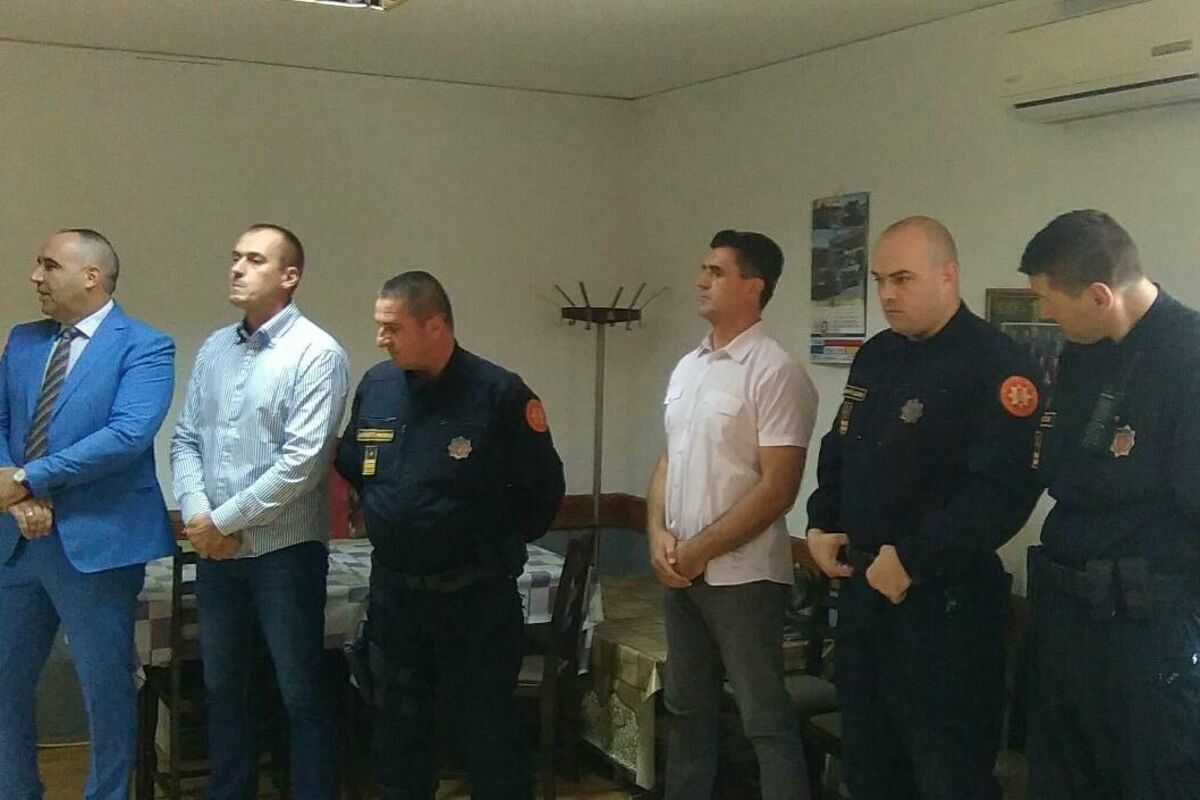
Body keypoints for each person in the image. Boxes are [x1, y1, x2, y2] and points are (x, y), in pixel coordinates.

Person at [805, 216, 1042, 800]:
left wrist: (914, 560)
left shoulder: (995, 363)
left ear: (947, 275)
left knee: (946, 775)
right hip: (864, 596)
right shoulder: (877, 355)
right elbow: (839, 444)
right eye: (880, 280)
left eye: (903, 279)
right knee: (869, 768)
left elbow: (1002, 492)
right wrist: (820, 521)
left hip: (944, 607)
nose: (887, 294)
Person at [335, 270, 565, 800]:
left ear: (435, 326)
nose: (380, 339)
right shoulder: (377, 386)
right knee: (397, 738)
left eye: (392, 327)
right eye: (379, 326)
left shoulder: (499, 394)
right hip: (396, 599)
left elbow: (541, 495)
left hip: (474, 600)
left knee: (488, 738)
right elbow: (354, 464)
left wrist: (479, 544)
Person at [1019, 210, 1200, 799]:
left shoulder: (1188, 354)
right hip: (1067, 611)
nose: (1047, 315)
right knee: (1061, 777)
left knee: (1154, 778)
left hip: (1148, 623)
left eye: (1050, 301)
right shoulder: (1084, 348)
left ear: (1100, 295)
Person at [170, 223, 349, 800]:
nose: (237, 268)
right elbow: (185, 440)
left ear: (289, 276)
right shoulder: (215, 348)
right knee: (223, 689)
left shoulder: (317, 353)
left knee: (300, 692)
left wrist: (219, 523)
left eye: (254, 259)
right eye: (235, 257)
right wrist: (198, 515)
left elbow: (302, 465)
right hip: (217, 554)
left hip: (285, 554)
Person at [0, 228, 176, 800]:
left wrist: (30, 479)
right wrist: (18, 494)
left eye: (49, 265)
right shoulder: (23, 340)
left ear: (91, 276)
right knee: (5, 680)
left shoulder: (145, 346)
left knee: (103, 688)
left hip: (98, 543)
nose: (36, 276)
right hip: (17, 541)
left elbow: (126, 436)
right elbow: (1, 423)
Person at [647, 229, 819, 800]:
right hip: (681, 570)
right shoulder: (689, 367)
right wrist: (656, 534)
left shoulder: (774, 371)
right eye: (704, 269)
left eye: (716, 272)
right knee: (686, 707)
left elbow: (778, 488)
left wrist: (700, 550)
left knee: (763, 716)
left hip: (744, 577)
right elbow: (668, 460)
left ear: (754, 286)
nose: (701, 281)